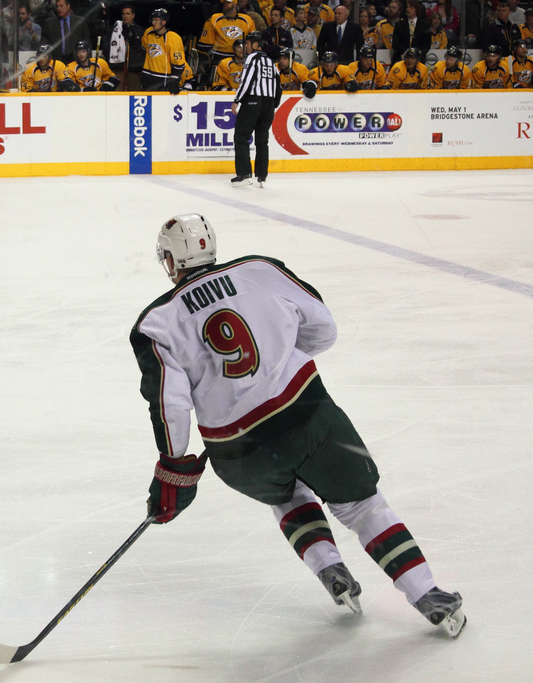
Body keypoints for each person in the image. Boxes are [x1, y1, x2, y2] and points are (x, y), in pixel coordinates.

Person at [131, 213, 467, 639]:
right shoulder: (259, 270)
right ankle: (427, 595)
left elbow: (171, 405)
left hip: (238, 453)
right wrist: (281, 355)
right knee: (363, 507)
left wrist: (174, 467)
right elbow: (323, 328)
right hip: (308, 417)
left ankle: (330, 570)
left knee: (286, 494)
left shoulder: (155, 323)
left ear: (169, 260)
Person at [230, 32, 279, 188]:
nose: (246, 46)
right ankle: (262, 176)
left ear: (256, 45)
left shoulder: (252, 58)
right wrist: (274, 105)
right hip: (268, 104)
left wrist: (237, 100)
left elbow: (246, 82)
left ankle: (244, 174)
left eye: (248, 43)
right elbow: (278, 86)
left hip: (253, 101)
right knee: (262, 140)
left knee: (241, 136)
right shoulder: (271, 62)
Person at [198, 0, 256, 86]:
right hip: (219, 59)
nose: (225, 5)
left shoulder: (247, 20)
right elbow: (205, 44)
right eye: (224, 3)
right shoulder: (214, 19)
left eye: (228, 3)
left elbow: (253, 43)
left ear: (235, 4)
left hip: (241, 59)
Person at [141, 7, 186, 92]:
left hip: (162, 81)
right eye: (152, 20)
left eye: (156, 20)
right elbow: (143, 50)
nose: (153, 23)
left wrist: (174, 79)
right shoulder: (148, 33)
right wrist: (132, 39)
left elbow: (179, 64)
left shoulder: (174, 38)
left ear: (164, 22)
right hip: (147, 79)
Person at [107, 4, 145, 91]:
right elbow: (107, 47)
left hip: (134, 70)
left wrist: (137, 64)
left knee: (134, 94)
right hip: (118, 68)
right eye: (123, 14)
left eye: (128, 14)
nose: (125, 16)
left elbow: (142, 50)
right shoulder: (115, 30)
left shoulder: (140, 31)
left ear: (133, 15)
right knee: (117, 94)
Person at [41, 0, 89, 64]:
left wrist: (88, 61)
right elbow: (43, 43)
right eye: (57, 6)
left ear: (68, 6)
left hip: (76, 60)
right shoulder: (49, 23)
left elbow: (87, 42)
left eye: (61, 6)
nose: (59, 9)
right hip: (56, 61)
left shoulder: (80, 21)